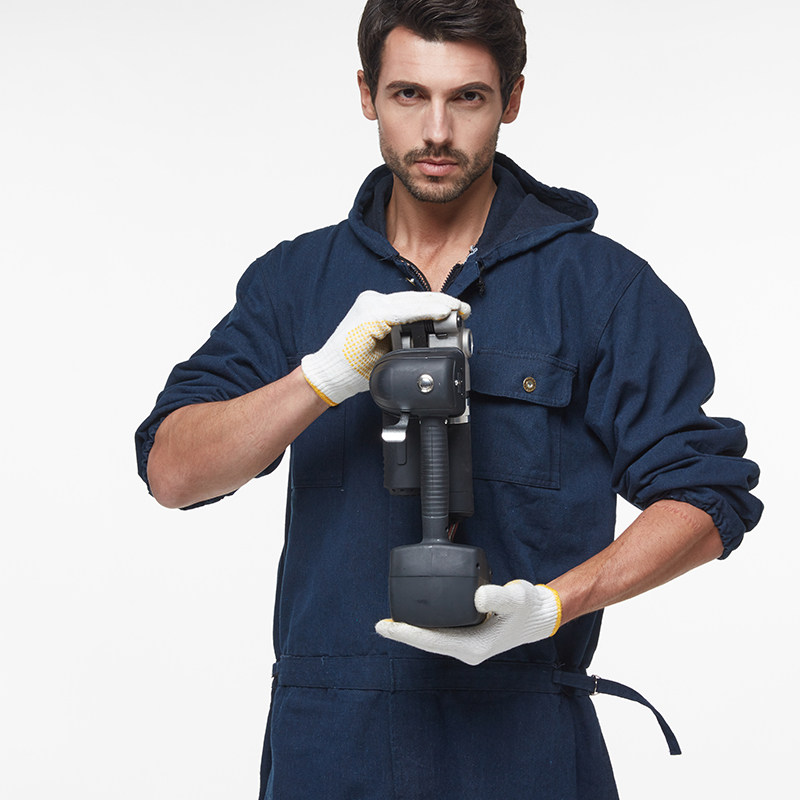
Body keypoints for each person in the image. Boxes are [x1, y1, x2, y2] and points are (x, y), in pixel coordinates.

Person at [135, 1, 762, 797]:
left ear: (513, 99)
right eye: (409, 94)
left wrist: (554, 605)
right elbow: (173, 472)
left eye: (467, 97)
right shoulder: (296, 282)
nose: (436, 131)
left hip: (524, 745)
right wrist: (319, 379)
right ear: (366, 93)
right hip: (330, 747)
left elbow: (707, 497)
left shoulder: (600, 288)